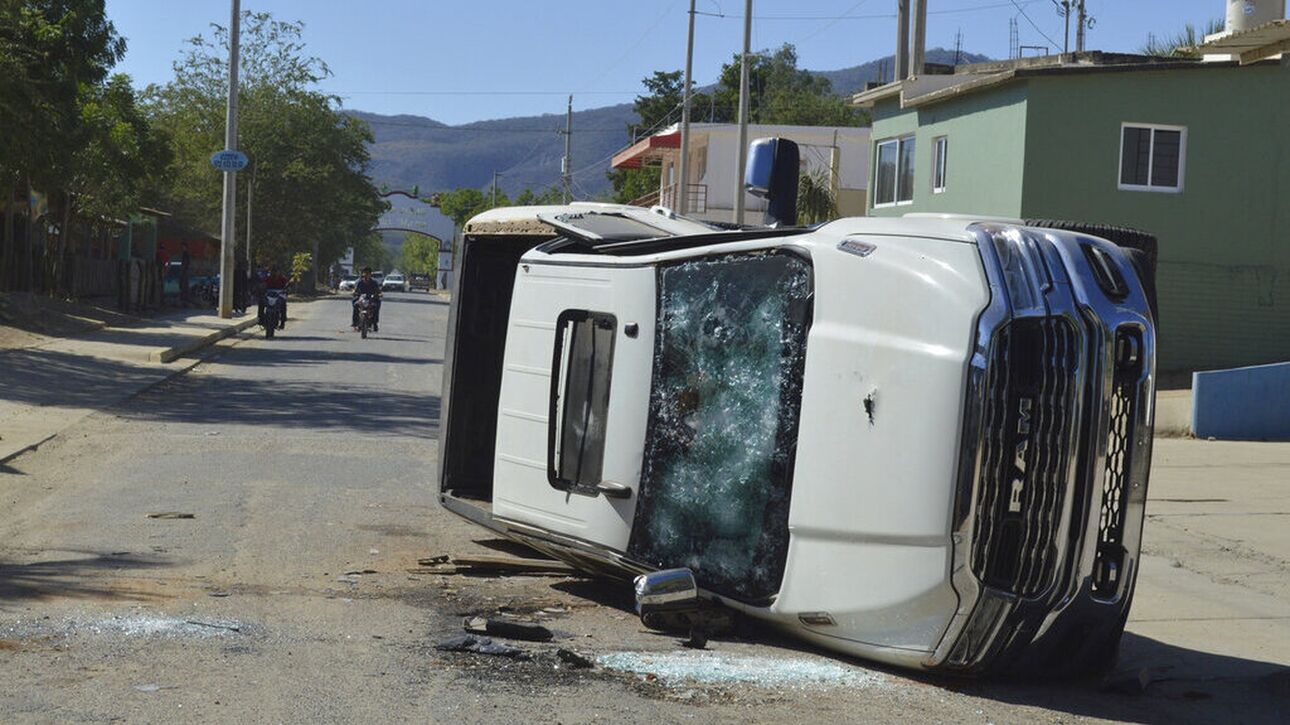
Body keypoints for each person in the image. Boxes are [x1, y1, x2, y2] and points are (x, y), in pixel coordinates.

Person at [351, 266, 382, 332]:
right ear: (362, 274)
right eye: (364, 273)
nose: (366, 275)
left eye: (368, 273)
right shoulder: (359, 282)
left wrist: (379, 294)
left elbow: (379, 291)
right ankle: (355, 323)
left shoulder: (374, 282)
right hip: (362, 299)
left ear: (370, 274)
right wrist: (354, 292)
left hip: (371, 299)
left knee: (376, 306)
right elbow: (355, 290)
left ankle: (374, 322)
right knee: (355, 305)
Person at [259, 265, 290, 329]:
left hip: (279, 294)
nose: (274, 273)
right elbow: (263, 284)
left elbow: (287, 285)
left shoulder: (282, 279)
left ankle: (282, 322)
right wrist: (261, 288)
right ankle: (261, 319)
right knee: (261, 302)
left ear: (279, 272)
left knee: (283, 304)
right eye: (273, 271)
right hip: (269, 294)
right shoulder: (268, 278)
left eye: (276, 271)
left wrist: (286, 289)